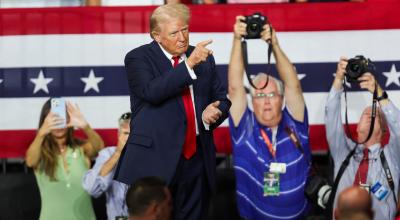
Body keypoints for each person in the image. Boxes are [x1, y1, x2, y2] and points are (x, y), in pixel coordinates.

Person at [113, 3, 231, 220]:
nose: (182, 38)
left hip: (196, 160)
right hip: (155, 160)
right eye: (174, 33)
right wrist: (189, 65)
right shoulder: (138, 58)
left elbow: (222, 100)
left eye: (185, 29)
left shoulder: (204, 59)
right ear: (156, 36)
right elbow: (152, 92)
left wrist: (210, 116)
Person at [228, 16, 311, 219]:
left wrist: (274, 44)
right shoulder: (243, 128)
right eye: (260, 95)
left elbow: (294, 85)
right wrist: (237, 39)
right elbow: (234, 87)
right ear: (251, 101)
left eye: (272, 94)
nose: (266, 101)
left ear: (282, 99)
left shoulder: (295, 124)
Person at [325, 57, 400, 220]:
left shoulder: (392, 156)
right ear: (357, 127)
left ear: (385, 129)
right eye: (364, 114)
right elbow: (331, 116)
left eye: (374, 114)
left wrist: (379, 94)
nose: (369, 113)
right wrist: (338, 79)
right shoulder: (343, 152)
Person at [25, 98, 104, 220]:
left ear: (69, 119)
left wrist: (85, 126)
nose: (58, 123)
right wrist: (41, 133)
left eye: (61, 117)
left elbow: (99, 148)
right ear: (44, 121)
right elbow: (30, 161)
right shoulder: (40, 152)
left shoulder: (81, 148)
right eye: (53, 119)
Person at [82, 112, 131, 220]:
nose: (129, 138)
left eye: (133, 134)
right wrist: (118, 153)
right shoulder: (108, 154)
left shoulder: (149, 156)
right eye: (126, 133)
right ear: (118, 134)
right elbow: (92, 188)